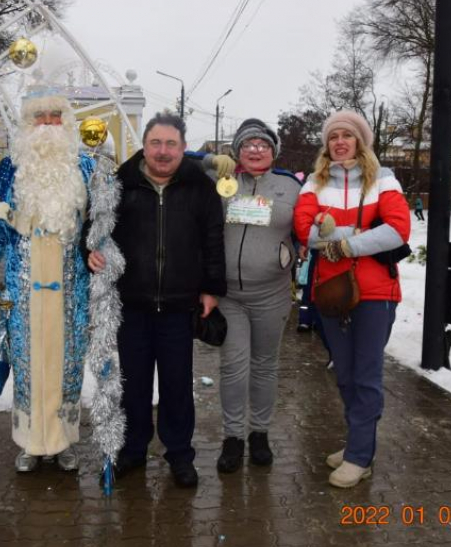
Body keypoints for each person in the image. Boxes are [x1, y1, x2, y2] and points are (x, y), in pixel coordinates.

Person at [88, 112, 226, 488]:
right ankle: (133, 450)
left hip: (180, 306)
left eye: (171, 144)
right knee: (133, 384)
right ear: (143, 146)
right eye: (156, 143)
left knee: (177, 385)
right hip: (132, 304)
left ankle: (179, 454)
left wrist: (211, 289)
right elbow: (96, 228)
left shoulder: (201, 188)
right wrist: (92, 251)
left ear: (183, 148)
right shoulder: (121, 185)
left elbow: (213, 241)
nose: (163, 152)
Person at [0, 94, 95, 473]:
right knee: (27, 368)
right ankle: (30, 443)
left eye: (56, 116)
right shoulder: (8, 171)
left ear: (67, 122)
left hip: (72, 295)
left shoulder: (86, 169)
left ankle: (63, 441)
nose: (48, 123)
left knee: (67, 367)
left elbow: (105, 231)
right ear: (26, 125)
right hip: (22, 296)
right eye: (40, 116)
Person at [293, 110, 410, 488]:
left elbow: (398, 231)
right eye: (333, 136)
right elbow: (305, 232)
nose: (340, 141)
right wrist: (360, 234)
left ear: (361, 140)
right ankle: (360, 441)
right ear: (326, 144)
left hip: (376, 292)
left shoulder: (385, 180)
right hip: (331, 291)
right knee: (344, 374)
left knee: (367, 375)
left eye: (348, 135)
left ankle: (360, 455)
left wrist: (343, 243)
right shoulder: (313, 182)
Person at [201, 119, 301, 473]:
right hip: (229, 296)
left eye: (263, 144)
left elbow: (308, 225)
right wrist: (209, 160)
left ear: (273, 151)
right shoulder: (220, 181)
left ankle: (259, 432)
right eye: (247, 144)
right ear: (237, 151)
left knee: (264, 365)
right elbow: (182, 163)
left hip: (272, 293)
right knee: (233, 367)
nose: (256, 149)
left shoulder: (290, 186)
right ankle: (233, 437)